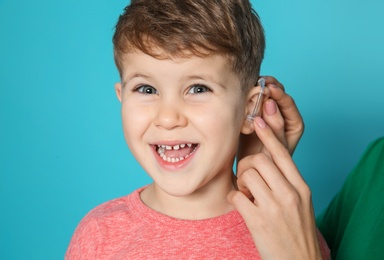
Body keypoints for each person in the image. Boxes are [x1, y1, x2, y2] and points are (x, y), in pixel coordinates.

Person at [66, 0, 330, 259]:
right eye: (146, 89)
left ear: (250, 109)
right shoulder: (99, 234)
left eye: (198, 88)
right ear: (121, 96)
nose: (168, 118)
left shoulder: (289, 235)